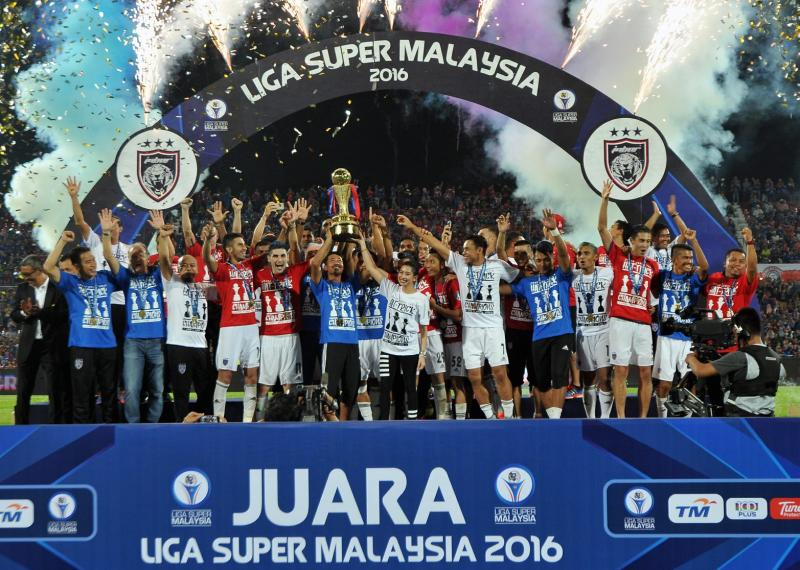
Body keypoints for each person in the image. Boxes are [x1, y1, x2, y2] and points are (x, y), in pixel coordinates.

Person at [399, 215, 519, 419]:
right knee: (474, 377)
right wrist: (412, 226)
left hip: (493, 329)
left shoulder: (497, 266)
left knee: (500, 373)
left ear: (479, 250)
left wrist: (500, 290)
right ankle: (490, 417)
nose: (463, 252)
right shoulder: (460, 264)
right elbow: (433, 241)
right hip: (470, 331)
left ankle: (508, 417)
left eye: (467, 249)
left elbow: (517, 281)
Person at [65, 176, 130, 411]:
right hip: (96, 304)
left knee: (118, 350)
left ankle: (117, 388)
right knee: (95, 351)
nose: (110, 225)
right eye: (108, 222)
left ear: (120, 228)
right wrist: (74, 197)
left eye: (115, 223)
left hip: (121, 304)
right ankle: (95, 391)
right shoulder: (94, 241)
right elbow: (80, 221)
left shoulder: (129, 249)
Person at [598, 180, 660, 418]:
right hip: (620, 321)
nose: (644, 245)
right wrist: (604, 200)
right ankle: (622, 417)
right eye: (641, 241)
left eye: (648, 242)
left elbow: (653, 294)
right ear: (631, 241)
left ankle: (643, 418)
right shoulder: (618, 257)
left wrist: (652, 307)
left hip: (643, 323)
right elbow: (602, 228)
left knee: (645, 372)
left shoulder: (652, 265)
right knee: (621, 370)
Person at [43, 231, 119, 423]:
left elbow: (118, 271)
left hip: (108, 346)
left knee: (110, 395)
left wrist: (107, 235)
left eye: (93, 260)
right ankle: (83, 433)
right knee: (82, 396)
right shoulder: (70, 283)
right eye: (87, 261)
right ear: (77, 267)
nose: (92, 264)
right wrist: (62, 241)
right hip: (81, 346)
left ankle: (112, 432)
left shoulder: (106, 278)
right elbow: (48, 267)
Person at [507, 210, 574, 419]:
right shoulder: (527, 283)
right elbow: (503, 289)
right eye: (539, 260)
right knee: (541, 382)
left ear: (552, 259)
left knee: (559, 377)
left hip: (562, 333)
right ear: (534, 260)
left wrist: (554, 232)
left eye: (546, 260)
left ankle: (555, 420)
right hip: (539, 337)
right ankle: (554, 418)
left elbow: (564, 255)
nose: (543, 264)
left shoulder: (562, 276)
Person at [100, 209, 165, 423]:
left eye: (140, 254)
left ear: (148, 258)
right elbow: (109, 256)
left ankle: (152, 426)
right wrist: (106, 233)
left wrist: (161, 232)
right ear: (129, 260)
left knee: (157, 390)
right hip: (133, 342)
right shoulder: (126, 278)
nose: (136, 257)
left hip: (155, 341)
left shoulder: (157, 275)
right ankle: (133, 428)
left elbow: (166, 258)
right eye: (133, 256)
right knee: (131, 389)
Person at [358, 236, 429, 420]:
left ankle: (412, 423)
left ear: (415, 277)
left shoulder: (421, 300)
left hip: (410, 351)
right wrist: (362, 245)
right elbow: (372, 268)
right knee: (385, 387)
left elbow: (423, 332)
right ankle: (383, 424)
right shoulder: (390, 288)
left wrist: (422, 355)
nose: (403, 276)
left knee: (410, 388)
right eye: (401, 272)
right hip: (387, 350)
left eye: (407, 274)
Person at [203, 226, 264, 422]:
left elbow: (268, 251)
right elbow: (207, 259)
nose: (244, 248)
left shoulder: (250, 265)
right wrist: (207, 241)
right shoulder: (223, 269)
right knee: (225, 375)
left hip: (251, 327)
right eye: (240, 245)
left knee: (252, 375)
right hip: (230, 328)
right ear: (229, 249)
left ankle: (248, 422)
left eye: (244, 244)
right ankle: (218, 419)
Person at [158, 225, 212, 422]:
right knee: (181, 392)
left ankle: (203, 422)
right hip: (178, 346)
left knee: (204, 391)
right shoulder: (172, 282)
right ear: (178, 269)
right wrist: (163, 237)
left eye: (192, 265)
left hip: (201, 347)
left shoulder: (204, 288)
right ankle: (181, 425)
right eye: (184, 265)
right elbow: (164, 260)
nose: (189, 268)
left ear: (198, 269)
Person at [685, 308, 783, 417]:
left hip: (738, 417)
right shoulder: (777, 359)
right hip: (767, 419)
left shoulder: (740, 357)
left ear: (743, 332)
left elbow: (700, 370)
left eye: (735, 333)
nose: (734, 337)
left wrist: (691, 358)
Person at [652, 232, 709, 418]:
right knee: (664, 384)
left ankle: (687, 420)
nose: (689, 261)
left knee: (689, 382)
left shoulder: (694, 278)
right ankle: (662, 420)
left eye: (691, 258)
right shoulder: (662, 276)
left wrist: (694, 241)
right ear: (674, 259)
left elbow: (705, 267)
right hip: (666, 337)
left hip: (688, 338)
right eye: (685, 257)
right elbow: (653, 293)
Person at [308, 229, 362, 421]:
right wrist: (330, 239)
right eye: (332, 260)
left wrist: (356, 241)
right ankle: (331, 425)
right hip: (331, 343)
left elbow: (352, 261)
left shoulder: (351, 285)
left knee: (350, 391)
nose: (337, 262)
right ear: (325, 267)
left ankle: (343, 427)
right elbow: (314, 263)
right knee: (328, 391)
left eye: (339, 260)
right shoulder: (321, 286)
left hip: (352, 344)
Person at [11, 255, 69, 424]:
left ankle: (54, 428)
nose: (25, 278)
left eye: (28, 274)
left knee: (54, 390)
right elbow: (14, 315)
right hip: (28, 346)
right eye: (23, 275)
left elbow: (63, 315)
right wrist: (25, 312)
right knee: (23, 391)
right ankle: (20, 429)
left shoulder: (57, 287)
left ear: (40, 270)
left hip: (51, 346)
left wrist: (40, 312)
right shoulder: (22, 289)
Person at [255, 236, 308, 409]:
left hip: (291, 336)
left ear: (287, 257)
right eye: (276, 256)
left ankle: (290, 418)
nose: (279, 260)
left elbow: (316, 260)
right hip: (267, 337)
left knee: (290, 385)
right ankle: (259, 420)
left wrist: (331, 238)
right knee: (264, 386)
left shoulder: (295, 271)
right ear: (269, 258)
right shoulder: (259, 275)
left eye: (283, 255)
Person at [573, 243, 614, 418]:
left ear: (596, 257)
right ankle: (590, 419)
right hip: (583, 334)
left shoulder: (608, 273)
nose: (581, 257)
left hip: (604, 331)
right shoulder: (573, 276)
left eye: (586, 253)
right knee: (588, 380)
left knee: (605, 378)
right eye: (579, 254)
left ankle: (605, 419)